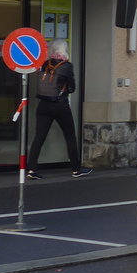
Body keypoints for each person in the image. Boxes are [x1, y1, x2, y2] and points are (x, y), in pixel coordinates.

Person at [26, 40, 92, 178]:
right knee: (69, 136)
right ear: (64, 50)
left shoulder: (45, 64)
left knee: (39, 137)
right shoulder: (67, 66)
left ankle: (32, 170)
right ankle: (76, 169)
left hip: (43, 105)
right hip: (60, 105)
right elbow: (72, 88)